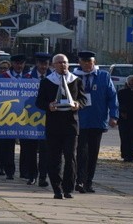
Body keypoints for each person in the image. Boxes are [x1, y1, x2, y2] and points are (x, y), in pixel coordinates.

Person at [35, 53, 87, 199]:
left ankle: (68, 188)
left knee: (71, 156)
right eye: (59, 63)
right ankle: (56, 188)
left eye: (64, 62)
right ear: (53, 65)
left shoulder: (76, 80)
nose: (62, 65)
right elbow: (39, 102)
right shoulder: (47, 82)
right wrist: (48, 106)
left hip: (71, 124)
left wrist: (78, 104)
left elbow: (83, 98)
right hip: (54, 124)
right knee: (54, 158)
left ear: (68, 64)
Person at [72, 50, 117, 193]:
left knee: (93, 153)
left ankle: (88, 182)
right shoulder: (73, 77)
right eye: (84, 62)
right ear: (80, 62)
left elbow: (112, 96)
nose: (87, 65)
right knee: (81, 152)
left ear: (94, 62)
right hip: (79, 120)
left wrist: (114, 116)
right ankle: (79, 180)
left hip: (97, 120)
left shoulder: (103, 76)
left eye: (90, 62)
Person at [20, 52, 51, 186]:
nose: (43, 66)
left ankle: (43, 176)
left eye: (46, 63)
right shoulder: (27, 77)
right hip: (30, 117)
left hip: (47, 118)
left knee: (45, 149)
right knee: (30, 148)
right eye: (41, 63)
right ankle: (32, 175)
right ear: (36, 63)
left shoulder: (53, 78)